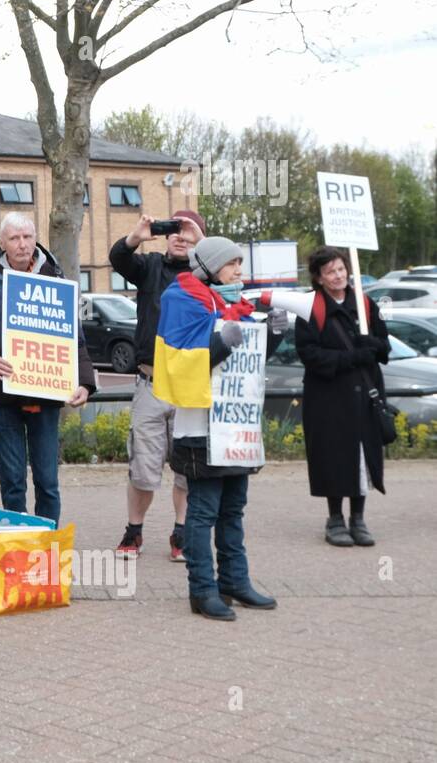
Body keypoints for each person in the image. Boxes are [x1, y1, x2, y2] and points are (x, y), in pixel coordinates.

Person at [154, 236, 275, 620]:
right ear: (208, 267)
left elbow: (247, 360)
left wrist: (274, 334)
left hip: (234, 426)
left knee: (233, 510)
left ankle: (235, 581)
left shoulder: (233, 304)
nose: (240, 270)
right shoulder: (180, 300)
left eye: (240, 262)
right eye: (232, 263)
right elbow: (176, 361)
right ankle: (202, 589)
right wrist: (222, 342)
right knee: (203, 511)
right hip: (199, 428)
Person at [0, 213, 96, 522]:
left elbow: (76, 341)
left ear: (35, 239)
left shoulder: (58, 282)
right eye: (14, 238)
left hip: (45, 397)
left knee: (48, 483)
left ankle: (47, 551)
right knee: (12, 484)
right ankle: (18, 549)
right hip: (3, 398)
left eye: (27, 237)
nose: (22, 245)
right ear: (1, 243)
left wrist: (86, 384)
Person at [107, 210, 206, 561]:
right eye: (173, 230)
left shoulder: (204, 274)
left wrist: (202, 241)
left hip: (190, 387)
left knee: (186, 468)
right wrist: (137, 236)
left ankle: (181, 532)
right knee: (143, 468)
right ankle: (134, 532)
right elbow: (118, 258)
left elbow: (226, 272)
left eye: (187, 232)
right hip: (151, 383)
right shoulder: (149, 266)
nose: (179, 237)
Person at [294, 246, 390, 547]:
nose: (338, 276)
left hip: (364, 393)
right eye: (330, 272)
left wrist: (369, 342)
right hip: (328, 397)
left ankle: (358, 519)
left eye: (340, 269)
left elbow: (384, 349)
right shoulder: (311, 308)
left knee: (362, 454)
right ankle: (334, 518)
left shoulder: (364, 303)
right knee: (333, 455)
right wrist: (353, 356)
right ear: (319, 278)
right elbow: (309, 354)